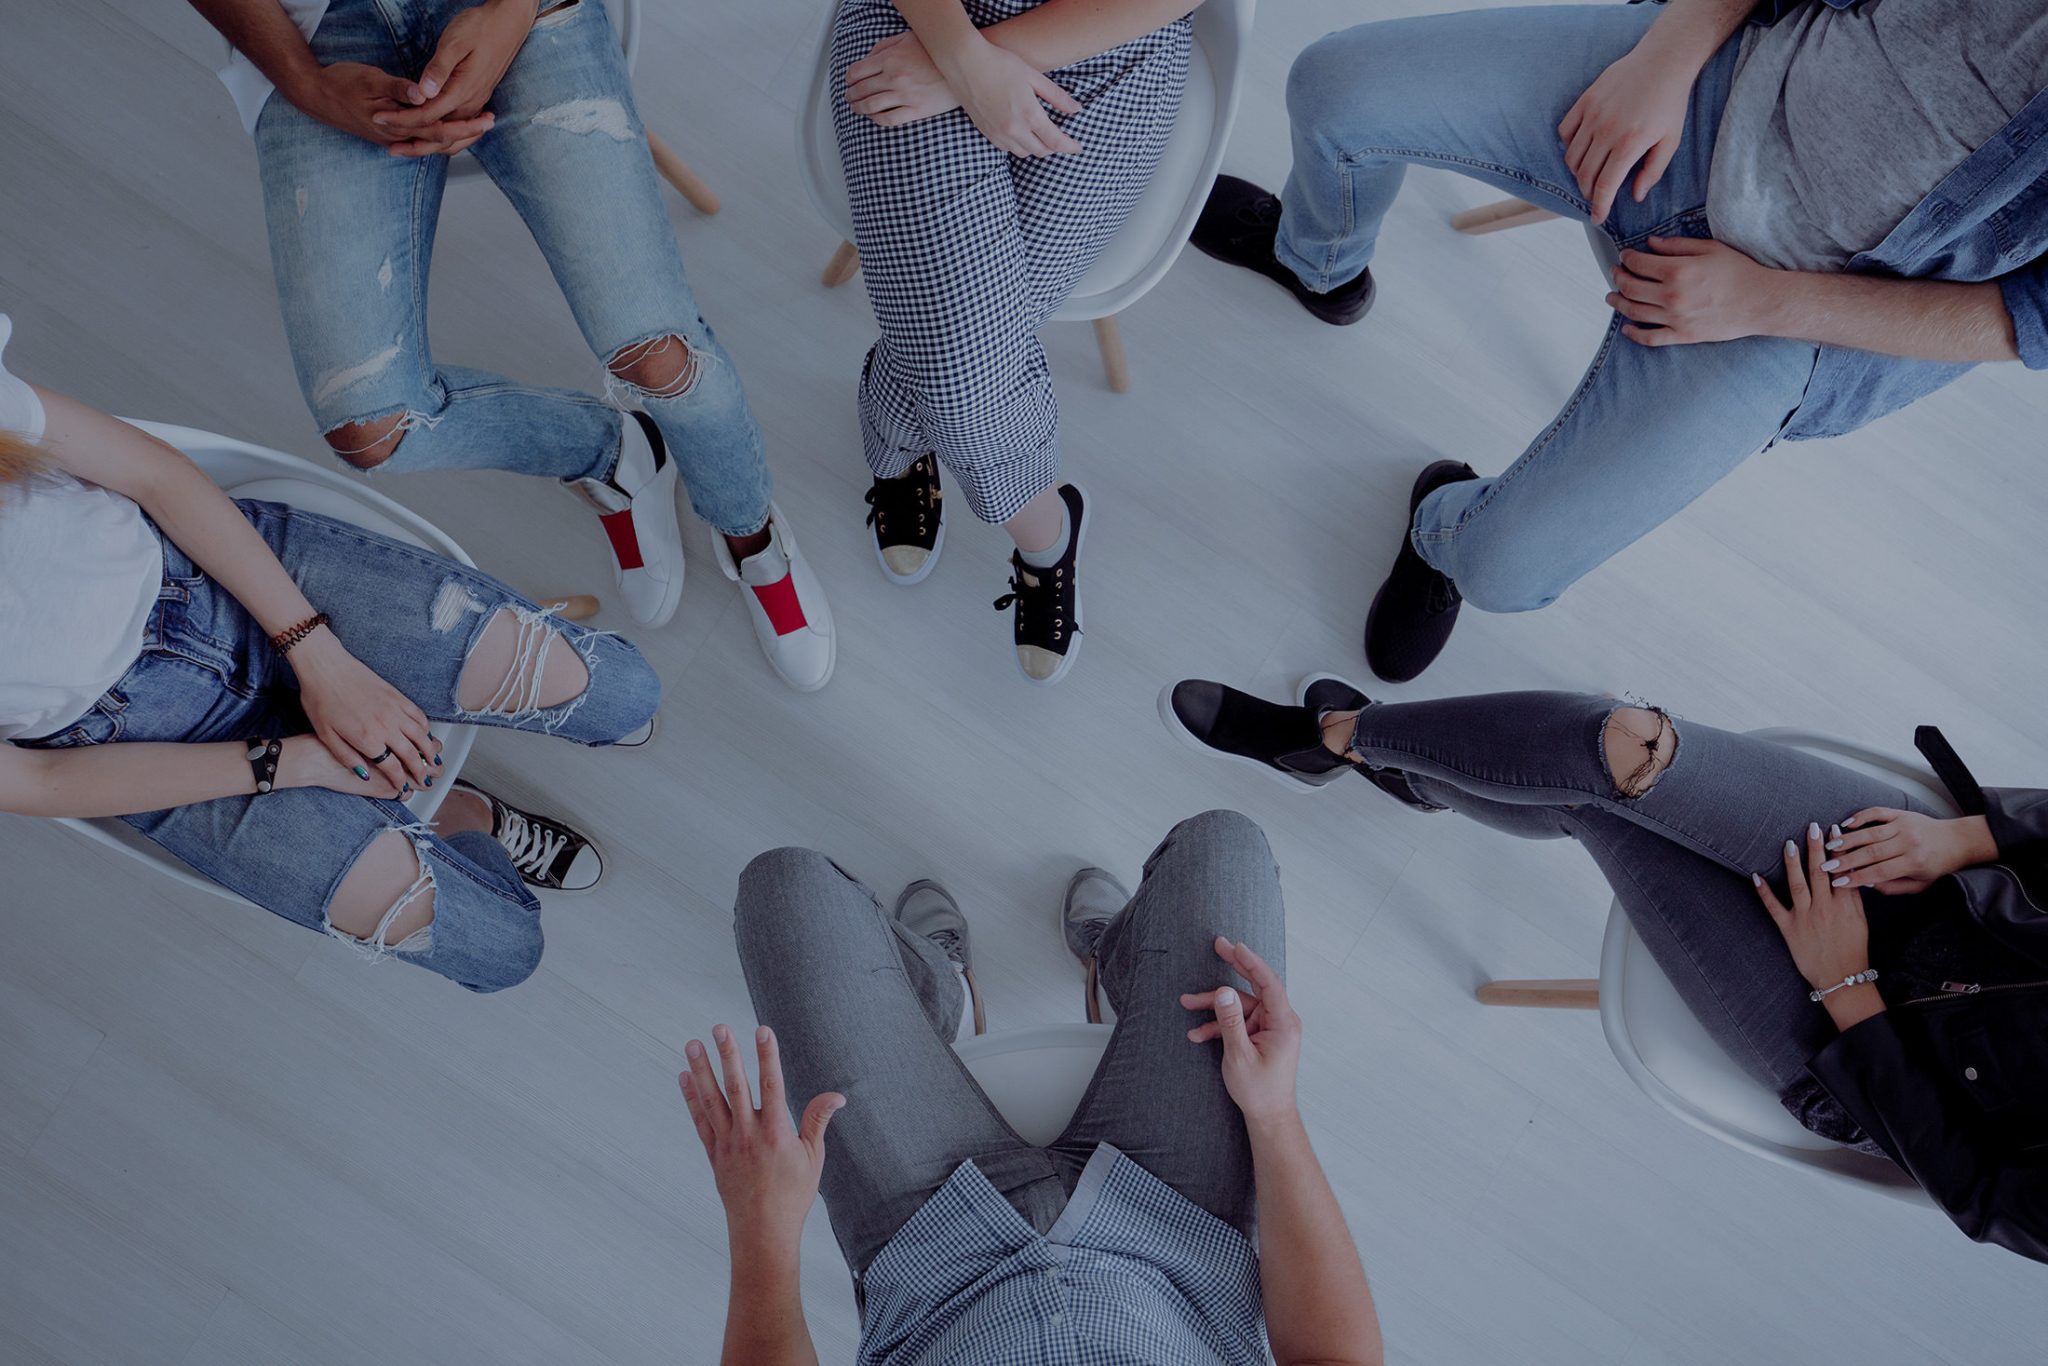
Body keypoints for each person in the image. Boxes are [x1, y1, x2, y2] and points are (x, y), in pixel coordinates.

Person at [1190, 0, 2048, 683]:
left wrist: (1767, 301)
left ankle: (1439, 533)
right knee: (1335, 88)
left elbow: (2028, 316)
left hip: (1804, 312)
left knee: (1504, 572)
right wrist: (1668, 55)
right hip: (1729, 78)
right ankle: (1321, 267)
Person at [1161, 674, 2048, 1262]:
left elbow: (1980, 1193)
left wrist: (1848, 988)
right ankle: (1352, 741)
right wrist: (1972, 838)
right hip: (1949, 891)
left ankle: (1378, 759)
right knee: (1619, 745)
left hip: (1862, 1052)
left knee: (1598, 811)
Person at [0, 314, 660, 993]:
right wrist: (294, 762)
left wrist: (321, 659)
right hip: (136, 746)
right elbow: (39, 784)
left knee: (624, 696)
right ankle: (460, 818)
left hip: (216, 575)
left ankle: (405, 792)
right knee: (502, 951)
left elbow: (157, 477)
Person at [187, 0, 836, 689]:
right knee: (371, 430)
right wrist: (305, 84)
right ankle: (614, 455)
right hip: (316, 35)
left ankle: (752, 535)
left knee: (657, 355)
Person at [678, 811, 1384, 1363]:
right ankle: (1110, 966)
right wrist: (1275, 1112)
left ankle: (935, 999)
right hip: (1178, 1237)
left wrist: (760, 1227)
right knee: (1224, 848)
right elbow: (1334, 1358)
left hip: (932, 1258)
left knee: (785, 888)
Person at [831, 0, 1198, 684]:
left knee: (959, 350)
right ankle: (1046, 534)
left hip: (1108, 39)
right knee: (960, 359)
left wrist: (983, 64)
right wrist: (964, 60)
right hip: (921, 22)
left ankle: (901, 433)